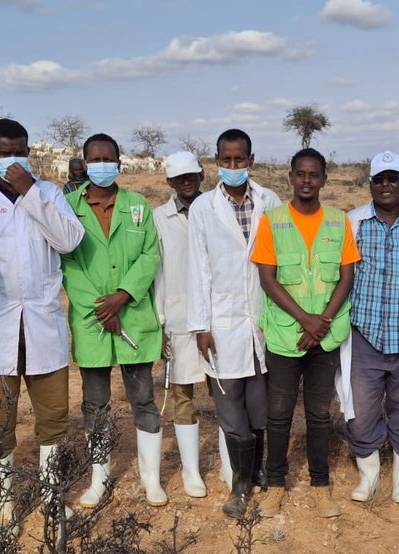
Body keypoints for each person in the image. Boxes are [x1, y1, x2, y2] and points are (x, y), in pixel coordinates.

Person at [0, 118, 84, 529]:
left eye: (20, 150)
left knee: (53, 418)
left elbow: (68, 240)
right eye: (4, 151)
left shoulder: (48, 192)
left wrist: (30, 192)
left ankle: (53, 499)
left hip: (43, 322)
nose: (12, 158)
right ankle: (2, 507)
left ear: (29, 151)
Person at [251, 148, 358, 518]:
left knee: (318, 414)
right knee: (278, 414)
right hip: (285, 335)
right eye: (301, 174)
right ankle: (276, 485)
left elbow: (346, 276)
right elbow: (267, 278)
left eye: (314, 174)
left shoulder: (338, 221)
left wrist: (322, 321)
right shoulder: (273, 221)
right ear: (291, 178)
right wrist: (305, 319)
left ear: (324, 179)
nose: (307, 180)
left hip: (324, 336)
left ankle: (320, 484)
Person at [62, 133, 166, 508]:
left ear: (119, 163)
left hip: (133, 316)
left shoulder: (138, 206)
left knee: (143, 399)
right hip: (92, 321)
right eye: (95, 158)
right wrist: (99, 307)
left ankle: (151, 480)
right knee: (95, 403)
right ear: (84, 163)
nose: (102, 164)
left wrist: (122, 297)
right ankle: (99, 479)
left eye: (109, 158)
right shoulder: (67, 206)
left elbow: (150, 255)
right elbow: (67, 264)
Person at [187, 129, 281, 517]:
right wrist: (201, 326)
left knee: (259, 407)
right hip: (221, 322)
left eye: (239, 160)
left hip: (261, 319)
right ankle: (239, 485)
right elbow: (199, 269)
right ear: (215, 161)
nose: (232, 167)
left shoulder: (269, 202)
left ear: (251, 160)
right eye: (225, 161)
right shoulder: (203, 209)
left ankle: (256, 471)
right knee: (230, 408)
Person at [340, 150, 399, 506]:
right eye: (379, 179)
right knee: (361, 410)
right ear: (370, 184)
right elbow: (341, 278)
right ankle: (369, 476)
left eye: (392, 178)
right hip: (364, 335)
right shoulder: (354, 223)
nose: (386, 186)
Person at [153, 151, 213, 499]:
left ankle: (232, 465)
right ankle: (191, 472)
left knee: (226, 394)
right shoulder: (159, 218)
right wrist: (159, 321)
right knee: (182, 394)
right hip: (177, 316)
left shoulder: (217, 211)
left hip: (218, 319)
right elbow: (157, 273)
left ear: (202, 174)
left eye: (191, 175)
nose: (186, 181)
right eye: (179, 178)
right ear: (169, 182)